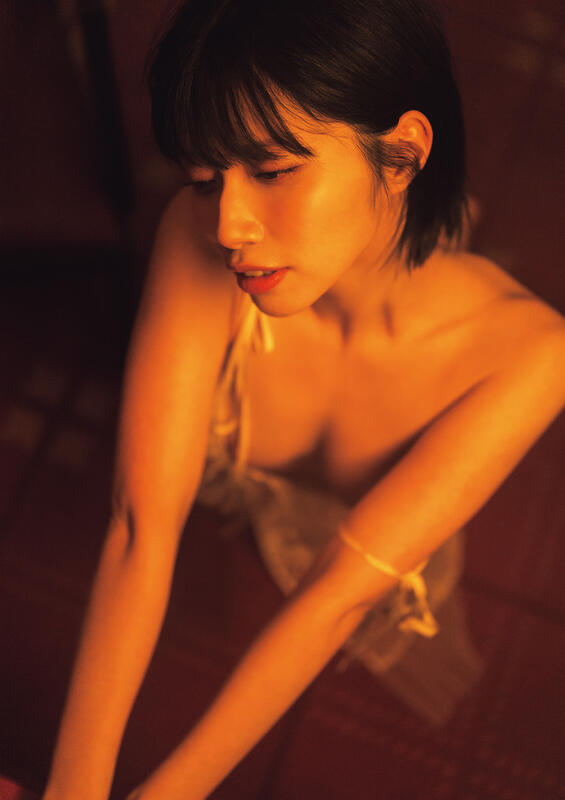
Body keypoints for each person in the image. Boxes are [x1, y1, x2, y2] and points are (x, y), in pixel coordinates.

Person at [43, 0, 565, 798]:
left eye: (272, 171)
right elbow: (140, 523)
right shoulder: (194, 235)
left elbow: (333, 597)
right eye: (204, 178)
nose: (228, 226)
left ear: (402, 150)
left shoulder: (534, 358)